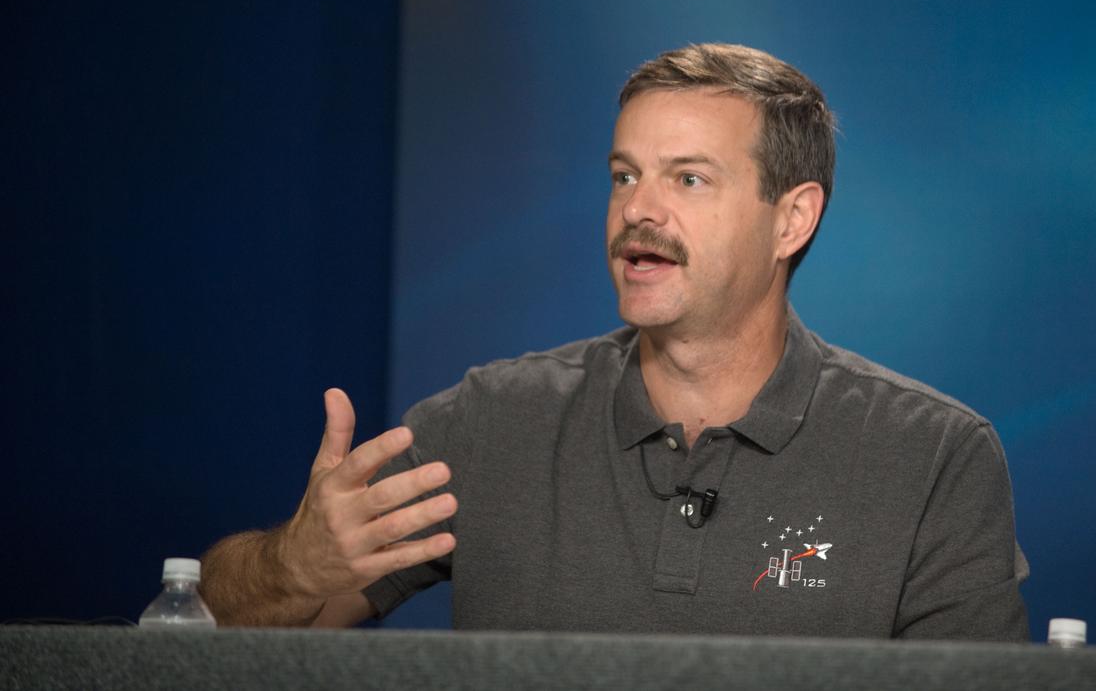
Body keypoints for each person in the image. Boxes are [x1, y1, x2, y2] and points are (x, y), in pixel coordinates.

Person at [201, 43, 1029, 639]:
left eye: (689, 178)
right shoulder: (491, 420)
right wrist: (290, 565)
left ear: (793, 218)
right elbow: (213, 628)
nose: (639, 209)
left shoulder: (933, 457)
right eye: (624, 174)